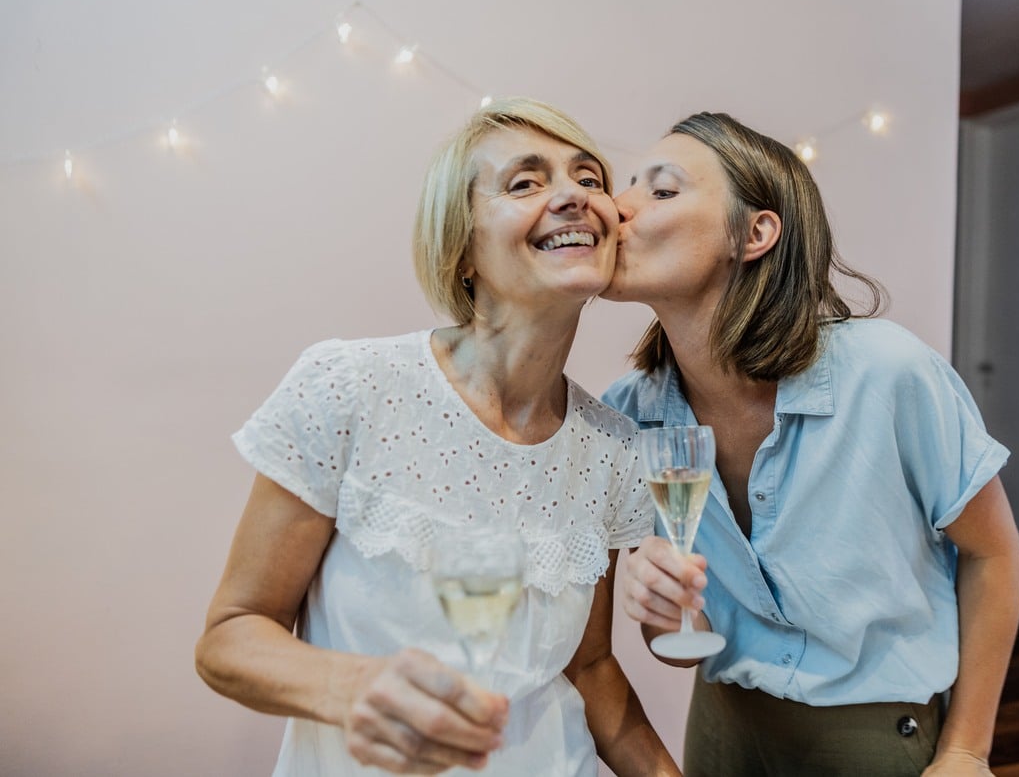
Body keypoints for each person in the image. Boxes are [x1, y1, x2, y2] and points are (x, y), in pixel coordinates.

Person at [196, 97, 680, 776]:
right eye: (525, 182)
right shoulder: (348, 386)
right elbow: (230, 635)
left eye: (589, 178)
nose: (573, 196)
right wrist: (352, 688)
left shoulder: (614, 449)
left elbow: (592, 668)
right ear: (462, 248)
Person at [601, 111, 1019, 776]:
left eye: (660, 190)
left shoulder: (888, 374)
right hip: (722, 725)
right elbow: (672, 637)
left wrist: (968, 748)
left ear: (754, 232)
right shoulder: (629, 414)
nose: (613, 207)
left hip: (877, 737)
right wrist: (659, 610)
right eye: (624, 186)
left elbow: (994, 553)